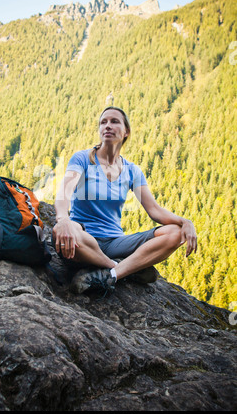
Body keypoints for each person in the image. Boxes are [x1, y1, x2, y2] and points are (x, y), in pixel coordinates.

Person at [52, 106, 197, 294]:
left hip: (115, 243)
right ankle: (123, 269)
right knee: (58, 231)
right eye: (103, 122)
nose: (108, 126)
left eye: (114, 122)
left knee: (175, 233)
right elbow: (64, 193)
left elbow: (154, 210)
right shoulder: (82, 159)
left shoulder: (132, 171)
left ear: (126, 131)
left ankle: (111, 275)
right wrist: (63, 220)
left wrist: (185, 223)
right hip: (84, 240)